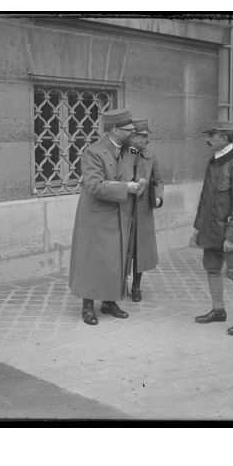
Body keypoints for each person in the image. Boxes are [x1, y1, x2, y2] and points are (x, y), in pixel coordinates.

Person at [68, 108, 143, 326]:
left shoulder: (130, 152)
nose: (132, 133)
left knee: (116, 260)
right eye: (128, 129)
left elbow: (132, 179)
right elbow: (93, 185)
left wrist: (137, 188)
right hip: (96, 219)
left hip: (120, 214)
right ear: (114, 129)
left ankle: (110, 302)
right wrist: (126, 187)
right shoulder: (93, 152)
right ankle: (88, 306)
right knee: (92, 261)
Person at [191, 121, 233, 336]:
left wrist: (232, 237)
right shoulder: (214, 162)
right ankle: (218, 310)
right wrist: (198, 227)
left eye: (212, 135)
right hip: (211, 229)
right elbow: (205, 198)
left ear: (224, 138)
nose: (208, 139)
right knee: (212, 268)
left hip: (232, 232)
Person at [125, 119, 164, 302]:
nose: (147, 140)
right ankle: (120, 283)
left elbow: (158, 180)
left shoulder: (150, 156)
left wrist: (158, 196)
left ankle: (136, 286)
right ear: (133, 137)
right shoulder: (123, 155)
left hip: (143, 212)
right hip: (123, 210)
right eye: (144, 136)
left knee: (140, 251)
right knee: (123, 249)